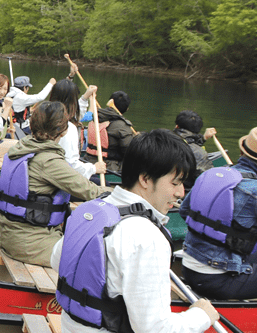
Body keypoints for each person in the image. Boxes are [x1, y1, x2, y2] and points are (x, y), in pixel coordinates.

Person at [52, 129, 218, 333]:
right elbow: (154, 330)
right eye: (175, 183)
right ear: (145, 179)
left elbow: (56, 260)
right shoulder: (147, 238)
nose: (180, 193)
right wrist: (202, 316)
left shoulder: (91, 210)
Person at [0, 101, 107, 267]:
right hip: (31, 242)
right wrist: (126, 196)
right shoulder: (48, 161)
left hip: (10, 235)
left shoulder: (22, 148)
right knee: (97, 261)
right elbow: (90, 191)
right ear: (62, 131)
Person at [179, 127, 257, 300]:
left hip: (189, 267)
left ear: (242, 151)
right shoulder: (254, 190)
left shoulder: (212, 174)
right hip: (218, 279)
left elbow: (184, 212)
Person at [49, 78, 106, 181]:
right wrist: (94, 168)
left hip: (48, 168)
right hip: (59, 175)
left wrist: (86, 97)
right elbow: (71, 164)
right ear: (73, 102)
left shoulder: (45, 116)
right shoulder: (67, 128)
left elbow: (77, 114)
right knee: (103, 184)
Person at [84, 90, 135, 174]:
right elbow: (129, 152)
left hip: (87, 160)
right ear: (127, 108)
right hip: (109, 166)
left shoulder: (95, 117)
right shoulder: (123, 126)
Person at [173, 110, 216, 175]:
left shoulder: (160, 139)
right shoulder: (200, 153)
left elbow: (187, 142)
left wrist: (204, 138)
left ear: (177, 126)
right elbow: (205, 177)